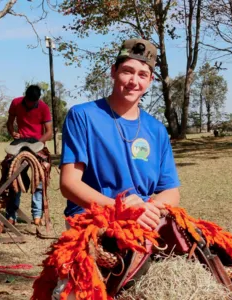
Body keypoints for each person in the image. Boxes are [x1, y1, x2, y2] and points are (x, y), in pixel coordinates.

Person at [59, 39, 181, 231]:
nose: (134, 81)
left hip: (143, 222)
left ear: (150, 81)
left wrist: (152, 209)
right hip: (94, 221)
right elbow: (69, 183)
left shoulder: (157, 129)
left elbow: (171, 190)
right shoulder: (83, 116)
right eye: (127, 71)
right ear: (113, 71)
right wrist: (120, 209)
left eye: (142, 75)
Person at [5, 85, 53, 226]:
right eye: (29, 101)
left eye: (34, 102)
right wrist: (12, 133)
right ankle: (11, 215)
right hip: (20, 141)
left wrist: (38, 143)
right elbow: (9, 123)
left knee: (39, 176)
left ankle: (37, 214)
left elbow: (49, 132)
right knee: (12, 174)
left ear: (38, 99)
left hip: (37, 142)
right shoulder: (16, 103)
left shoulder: (43, 107)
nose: (31, 104)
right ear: (25, 97)